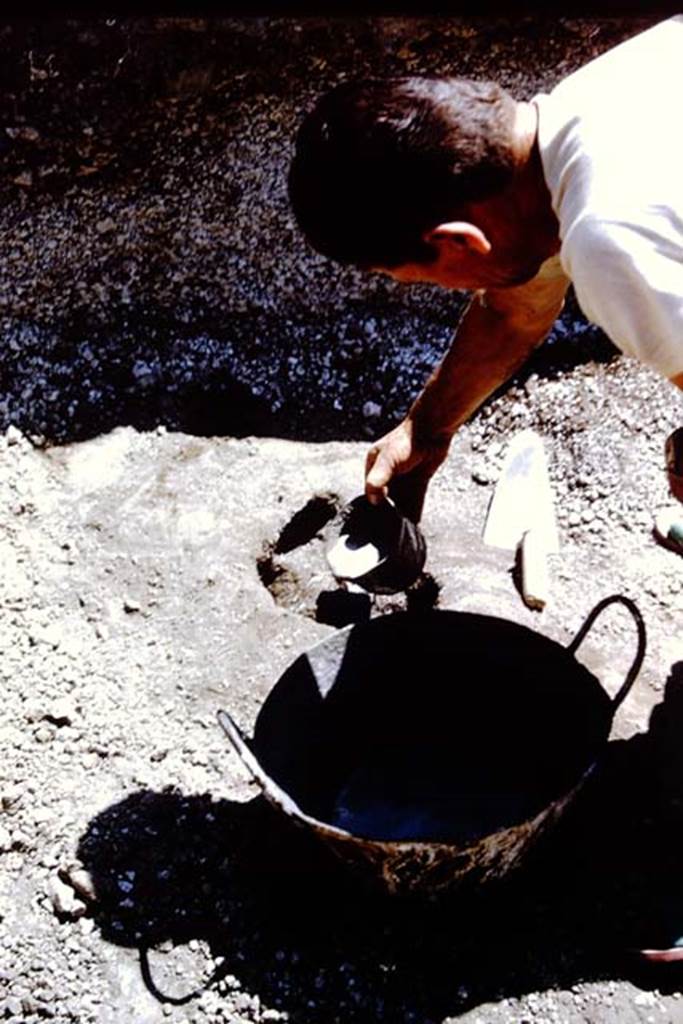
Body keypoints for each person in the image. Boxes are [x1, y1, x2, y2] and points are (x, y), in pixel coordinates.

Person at [287, 15, 683, 555]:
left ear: (461, 242)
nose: (442, 288)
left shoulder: (611, 239)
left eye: (423, 278)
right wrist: (426, 428)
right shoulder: (584, 115)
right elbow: (512, 311)